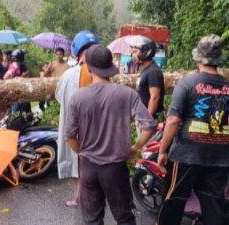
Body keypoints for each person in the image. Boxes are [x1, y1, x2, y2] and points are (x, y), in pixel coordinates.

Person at [65, 44, 157, 225]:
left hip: (88, 168)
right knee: (125, 218)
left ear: (89, 67)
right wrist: (136, 148)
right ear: (109, 67)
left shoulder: (78, 97)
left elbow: (69, 136)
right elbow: (149, 125)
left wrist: (81, 152)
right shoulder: (126, 94)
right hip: (115, 168)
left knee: (92, 220)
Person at [157, 34, 229, 225]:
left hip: (186, 155)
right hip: (220, 156)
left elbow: (172, 120)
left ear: (197, 58)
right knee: (214, 203)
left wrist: (163, 150)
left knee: (173, 200)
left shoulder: (187, 83)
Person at [55, 30, 99, 207]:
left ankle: (79, 197)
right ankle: (95, 196)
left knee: (78, 162)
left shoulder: (68, 75)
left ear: (76, 51)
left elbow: (59, 96)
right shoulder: (100, 73)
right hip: (96, 126)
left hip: (76, 128)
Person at [130, 35, 165, 119]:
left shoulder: (153, 72)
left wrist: (147, 120)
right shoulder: (146, 69)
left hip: (151, 119)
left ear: (145, 52)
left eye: (135, 51)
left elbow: (155, 97)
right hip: (142, 116)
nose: (132, 54)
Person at [4, 49, 31, 113]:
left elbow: (27, 72)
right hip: (15, 93)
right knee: (16, 112)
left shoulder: (19, 65)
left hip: (20, 92)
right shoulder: (14, 66)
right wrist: (20, 77)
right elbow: (5, 77)